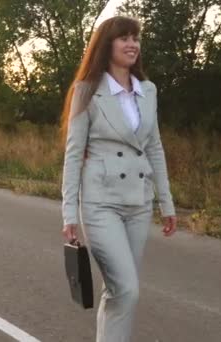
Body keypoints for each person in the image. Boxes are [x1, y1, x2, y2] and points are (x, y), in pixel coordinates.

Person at [60, 15, 178, 342]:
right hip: (101, 203)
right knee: (126, 289)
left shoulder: (148, 90)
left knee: (118, 290)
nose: (132, 44)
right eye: (124, 38)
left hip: (139, 203)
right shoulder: (87, 90)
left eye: (136, 38)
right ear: (106, 45)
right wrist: (69, 211)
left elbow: (154, 147)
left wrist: (166, 202)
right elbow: (73, 153)